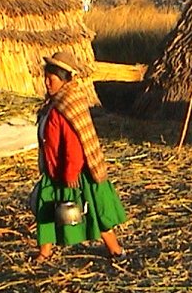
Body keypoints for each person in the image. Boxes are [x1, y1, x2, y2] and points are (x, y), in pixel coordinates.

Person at [32, 51, 127, 262]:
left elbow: (73, 146)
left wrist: (69, 176)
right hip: (54, 168)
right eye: (45, 78)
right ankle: (44, 252)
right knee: (45, 210)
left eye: (52, 79)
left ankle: (115, 250)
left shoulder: (67, 106)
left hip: (73, 172)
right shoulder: (54, 104)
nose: (47, 82)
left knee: (92, 211)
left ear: (64, 79)